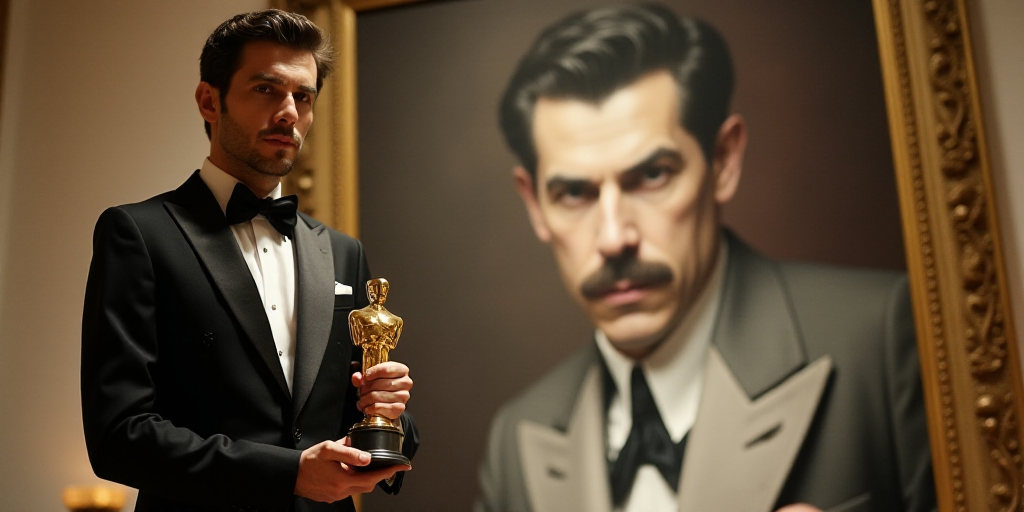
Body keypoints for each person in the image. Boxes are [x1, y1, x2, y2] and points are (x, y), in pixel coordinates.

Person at [476, 3, 935, 512]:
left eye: (652, 176)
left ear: (724, 161)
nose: (613, 237)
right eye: (574, 194)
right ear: (534, 204)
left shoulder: (882, 340)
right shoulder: (515, 440)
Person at [81, 10, 417, 512]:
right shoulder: (139, 234)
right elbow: (118, 435)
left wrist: (389, 415)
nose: (289, 112)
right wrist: (289, 474)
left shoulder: (343, 252)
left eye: (303, 97)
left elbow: (353, 422)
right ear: (209, 101)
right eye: (266, 90)